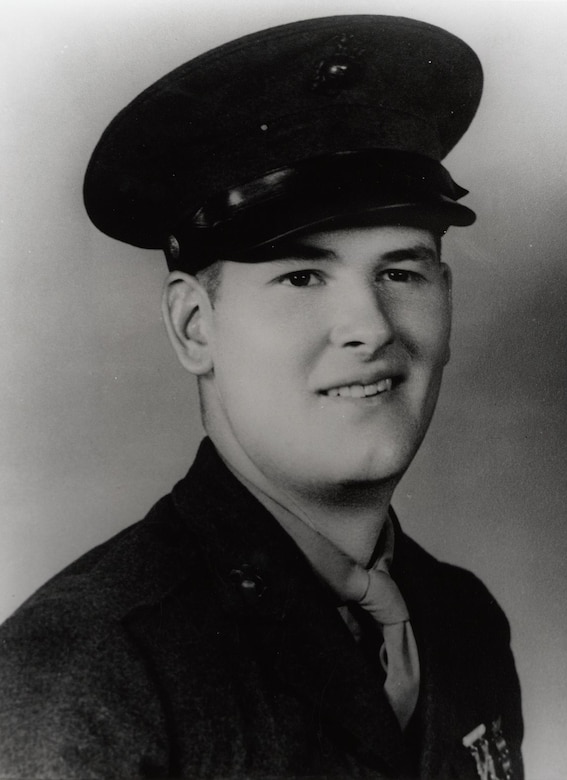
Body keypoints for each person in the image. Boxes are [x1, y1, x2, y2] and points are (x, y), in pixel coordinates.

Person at [0, 14, 523, 780]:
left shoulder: (461, 619)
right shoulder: (89, 671)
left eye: (400, 271)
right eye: (301, 276)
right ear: (193, 325)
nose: (369, 328)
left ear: (445, 296)